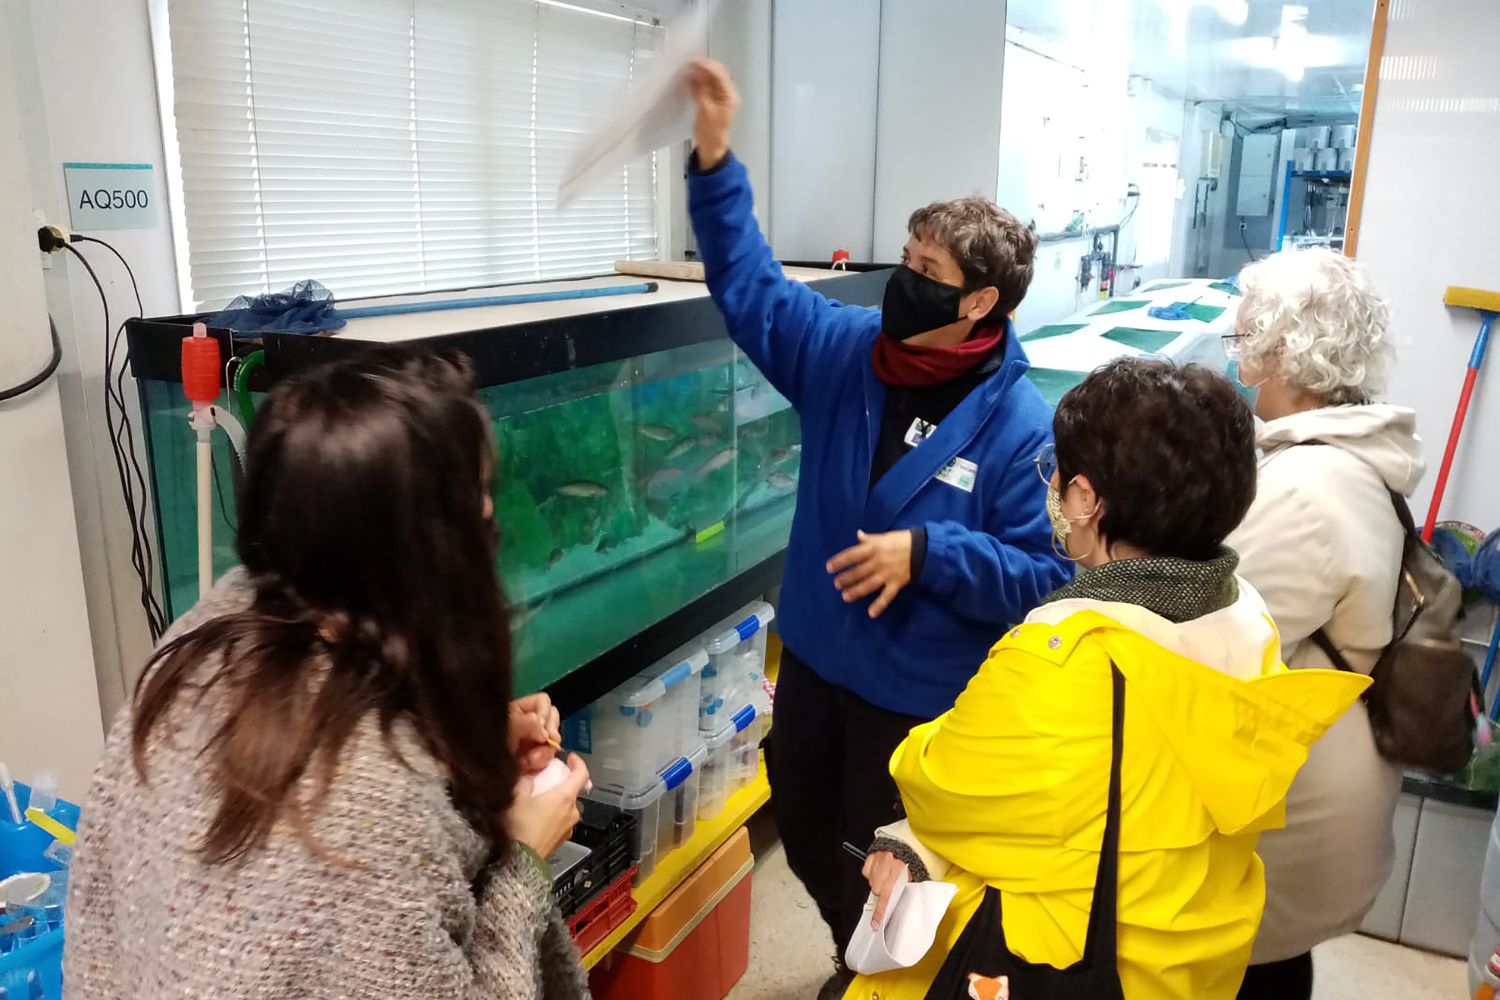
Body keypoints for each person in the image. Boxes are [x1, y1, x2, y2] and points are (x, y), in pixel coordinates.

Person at [684, 59, 1071, 996]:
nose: (905, 280)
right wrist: (714, 159)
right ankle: (850, 957)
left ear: (978, 302)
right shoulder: (845, 353)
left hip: (916, 702)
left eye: (927, 272)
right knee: (806, 834)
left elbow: (1046, 575)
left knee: (888, 869)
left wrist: (931, 552)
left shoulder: (1023, 429)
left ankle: (885, 980)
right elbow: (750, 288)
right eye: (908, 257)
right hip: (815, 667)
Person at [65, 348, 593, 1000]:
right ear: (425, 553)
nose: (490, 515)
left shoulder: (204, 636)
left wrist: (459, 743)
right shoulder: (367, 823)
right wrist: (525, 859)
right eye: (477, 501)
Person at [848, 358, 1369, 1000]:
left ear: (1086, 500)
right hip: (1185, 968)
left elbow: (940, 785)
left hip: (1063, 961)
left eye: (1059, 475)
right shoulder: (1248, 617)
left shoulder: (1063, 658)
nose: (1054, 489)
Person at [1225, 248, 1423, 1000]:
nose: (1237, 352)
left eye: (1245, 334)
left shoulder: (1305, 489)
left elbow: (1210, 634)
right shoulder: (1340, 459)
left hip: (1296, 809)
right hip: (1327, 780)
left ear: (1283, 348)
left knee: (1254, 971)